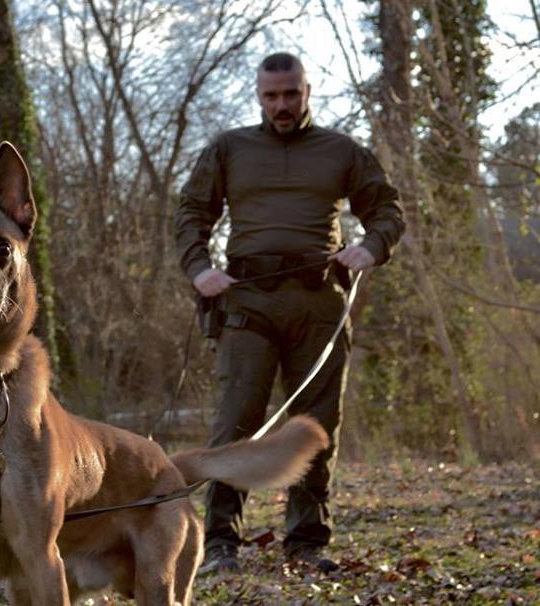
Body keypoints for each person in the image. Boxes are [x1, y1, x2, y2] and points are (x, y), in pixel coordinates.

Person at [174, 52, 405, 574]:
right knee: (236, 423)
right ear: (259, 95)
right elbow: (191, 213)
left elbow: (387, 210)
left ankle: (307, 542)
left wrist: (370, 247)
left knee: (318, 425)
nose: (281, 105)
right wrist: (199, 269)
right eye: (271, 95)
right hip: (248, 300)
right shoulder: (229, 148)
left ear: (307, 91)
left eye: (290, 94)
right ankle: (219, 544)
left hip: (318, 301)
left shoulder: (342, 150)